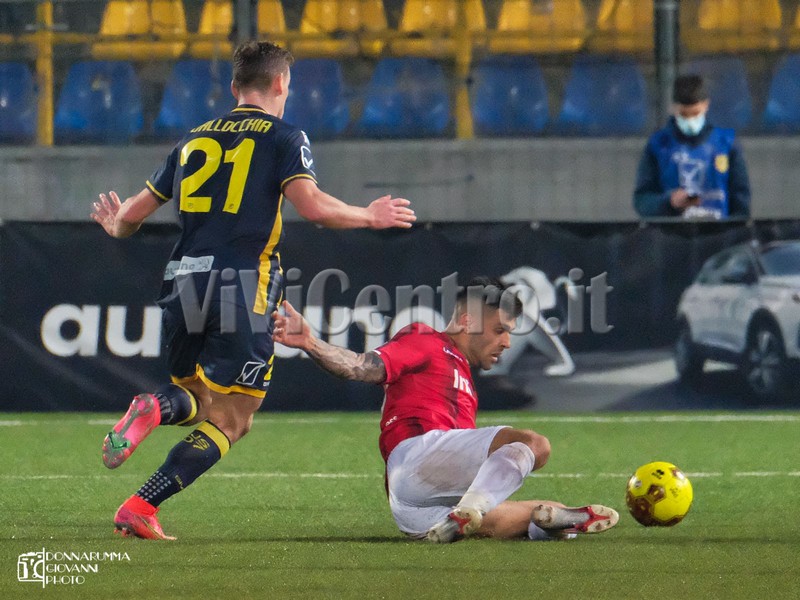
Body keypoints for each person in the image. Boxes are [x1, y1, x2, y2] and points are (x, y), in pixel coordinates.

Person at [90, 41, 416, 540]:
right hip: (242, 284)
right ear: (282, 82)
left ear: (233, 87)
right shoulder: (285, 136)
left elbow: (131, 215)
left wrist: (115, 226)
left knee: (196, 395)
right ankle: (140, 502)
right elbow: (311, 205)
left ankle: (153, 414)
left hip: (183, 279)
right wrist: (369, 215)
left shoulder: (194, 138)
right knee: (235, 418)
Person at [273, 277, 618, 542]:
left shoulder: (462, 376)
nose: (507, 342)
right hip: (417, 456)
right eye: (500, 330)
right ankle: (474, 510)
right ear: (467, 321)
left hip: (413, 507)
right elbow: (364, 366)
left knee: (539, 511)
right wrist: (310, 343)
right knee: (534, 445)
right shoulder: (425, 340)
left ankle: (552, 521)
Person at [633, 74, 751, 219]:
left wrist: (734, 227)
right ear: (673, 108)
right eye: (684, 114)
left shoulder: (726, 144)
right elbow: (642, 200)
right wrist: (669, 202)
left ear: (706, 105)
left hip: (718, 229)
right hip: (671, 230)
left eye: (695, 113)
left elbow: (741, 199)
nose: (690, 120)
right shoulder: (659, 145)